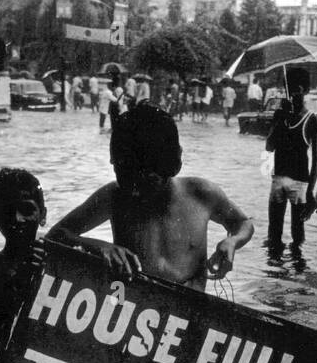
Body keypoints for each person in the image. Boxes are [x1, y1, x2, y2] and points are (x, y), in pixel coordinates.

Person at [47, 103, 254, 290]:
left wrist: (233, 242)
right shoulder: (114, 196)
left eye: (149, 181)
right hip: (137, 311)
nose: (137, 192)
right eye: (129, 182)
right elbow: (55, 236)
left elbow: (243, 223)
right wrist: (99, 247)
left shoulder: (201, 193)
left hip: (190, 314)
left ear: (171, 168)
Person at [0, 168, 47, 344]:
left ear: (42, 215)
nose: (17, 219)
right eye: (7, 211)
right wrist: (22, 276)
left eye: (26, 209)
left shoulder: (56, 258)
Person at [265, 69, 317, 256]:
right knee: (274, 232)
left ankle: (297, 268)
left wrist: (311, 191)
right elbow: (269, 146)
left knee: (298, 235)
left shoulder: (312, 119)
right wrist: (280, 119)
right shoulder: (279, 115)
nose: (294, 94)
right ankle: (274, 270)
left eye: (298, 90)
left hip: (300, 183)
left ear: (306, 90)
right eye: (290, 90)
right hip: (278, 178)